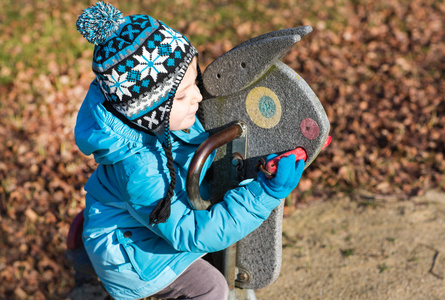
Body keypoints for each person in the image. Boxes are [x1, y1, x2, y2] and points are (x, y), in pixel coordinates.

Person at [74, 2, 305, 300]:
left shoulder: (166, 122)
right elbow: (193, 233)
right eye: (182, 95)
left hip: (150, 224)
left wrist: (258, 166)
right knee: (210, 288)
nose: (197, 96)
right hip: (132, 256)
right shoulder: (140, 169)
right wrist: (264, 195)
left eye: (193, 82)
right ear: (150, 111)